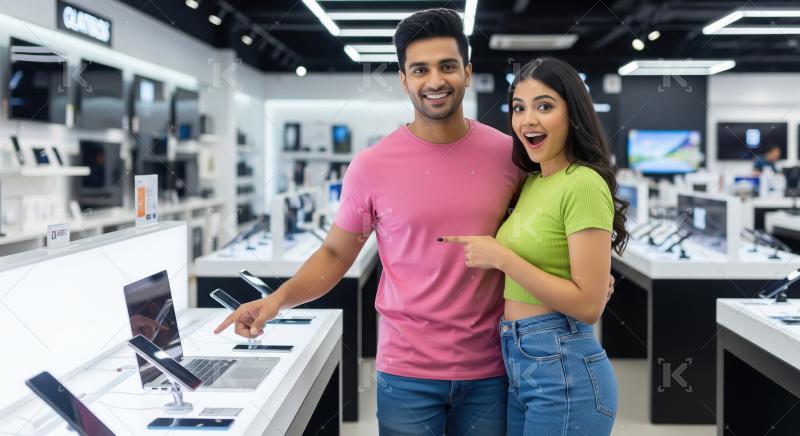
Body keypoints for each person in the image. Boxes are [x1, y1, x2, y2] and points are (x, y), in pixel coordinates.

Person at [214, 10, 614, 435]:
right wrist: (278, 299)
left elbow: (553, 221)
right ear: (404, 79)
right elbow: (335, 253)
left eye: (447, 66)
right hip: (407, 373)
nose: (435, 80)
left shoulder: (510, 156)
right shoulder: (371, 166)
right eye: (420, 69)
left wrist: (589, 281)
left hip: (494, 370)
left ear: (467, 72)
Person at [441, 57, 629, 435]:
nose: (528, 120)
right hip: (519, 358)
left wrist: (503, 258)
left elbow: (588, 305)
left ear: (572, 114)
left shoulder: (583, 183)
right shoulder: (533, 182)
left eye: (544, 106)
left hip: (564, 366)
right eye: (519, 108)